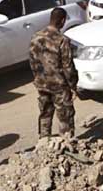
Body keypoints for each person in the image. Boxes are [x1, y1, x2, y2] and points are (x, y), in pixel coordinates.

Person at [29, 8, 79, 138]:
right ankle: (67, 143)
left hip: (41, 84)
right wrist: (73, 85)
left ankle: (44, 142)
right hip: (59, 86)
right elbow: (68, 67)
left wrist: (38, 78)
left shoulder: (36, 37)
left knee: (45, 114)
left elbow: (32, 61)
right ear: (62, 21)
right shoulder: (62, 40)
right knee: (65, 117)